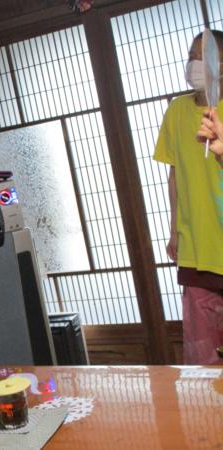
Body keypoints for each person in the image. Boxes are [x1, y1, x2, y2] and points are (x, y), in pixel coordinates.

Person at [153, 30, 223, 365]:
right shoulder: (177, 111)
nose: (195, 63)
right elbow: (175, 174)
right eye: (191, 56)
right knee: (204, 358)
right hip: (196, 247)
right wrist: (173, 232)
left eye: (203, 56)